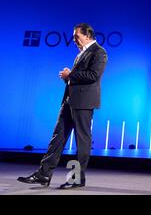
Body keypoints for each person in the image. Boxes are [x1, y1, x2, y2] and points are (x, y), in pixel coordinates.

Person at [17, 23, 108, 189]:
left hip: (83, 103)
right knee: (57, 138)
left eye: (76, 36)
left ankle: (76, 179)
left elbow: (93, 76)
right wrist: (68, 78)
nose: (73, 40)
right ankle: (43, 174)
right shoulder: (81, 54)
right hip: (69, 102)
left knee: (82, 141)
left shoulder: (99, 52)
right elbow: (79, 78)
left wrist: (70, 74)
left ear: (87, 36)